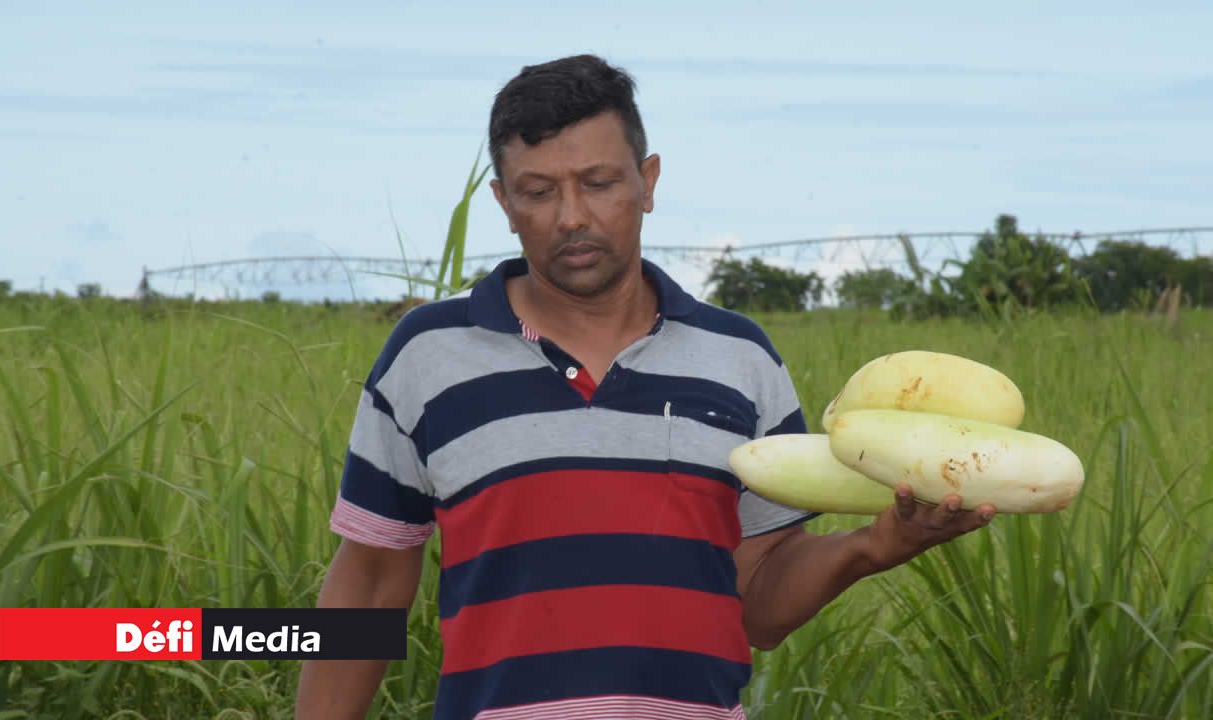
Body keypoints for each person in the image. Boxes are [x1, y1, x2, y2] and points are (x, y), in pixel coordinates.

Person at [295, 53, 995, 720]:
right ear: (505, 203)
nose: (572, 216)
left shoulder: (740, 358)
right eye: (539, 191)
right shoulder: (428, 354)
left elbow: (760, 604)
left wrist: (875, 546)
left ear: (647, 181)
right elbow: (370, 587)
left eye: (599, 183)